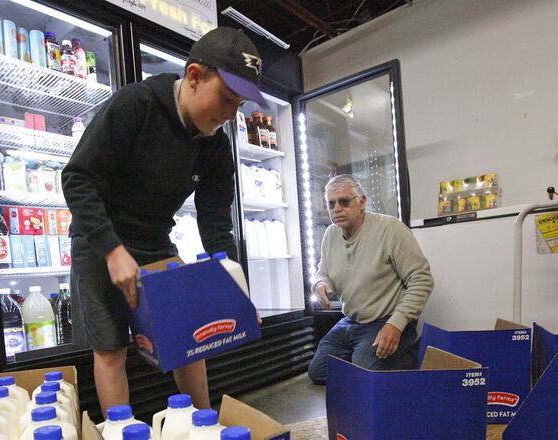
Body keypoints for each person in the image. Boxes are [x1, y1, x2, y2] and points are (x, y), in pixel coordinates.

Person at [61, 27, 266, 415]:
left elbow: (216, 222)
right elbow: (76, 177)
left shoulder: (216, 147)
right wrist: (112, 250)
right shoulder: (134, 106)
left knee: (189, 334)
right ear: (193, 76)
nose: (228, 114)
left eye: (238, 105)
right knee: (111, 347)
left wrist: (236, 289)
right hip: (98, 238)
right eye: (225, 98)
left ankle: (203, 424)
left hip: (155, 238)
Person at [308, 174, 434, 384]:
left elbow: (422, 279)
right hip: (350, 322)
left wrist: (396, 324)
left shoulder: (390, 229)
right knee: (318, 372)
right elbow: (323, 271)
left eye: (344, 202)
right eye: (331, 204)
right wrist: (319, 283)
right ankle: (364, 362)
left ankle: (411, 352)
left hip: (385, 320)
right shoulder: (331, 234)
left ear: (362, 202)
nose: (336, 209)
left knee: (365, 377)